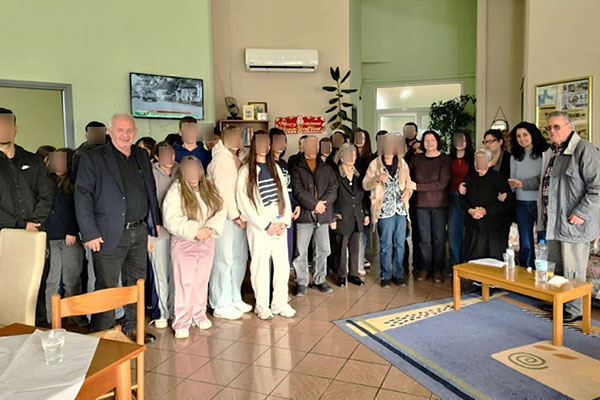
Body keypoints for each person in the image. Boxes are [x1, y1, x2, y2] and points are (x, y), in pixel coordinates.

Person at [75, 113, 161, 343]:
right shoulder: (93, 157)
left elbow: (149, 191)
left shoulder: (141, 155)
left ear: (135, 132)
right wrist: (89, 232)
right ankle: (101, 334)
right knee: (107, 286)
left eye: (130, 130)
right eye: (120, 130)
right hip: (106, 233)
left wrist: (152, 227)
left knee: (136, 284)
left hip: (139, 230)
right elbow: (82, 195)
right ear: (109, 132)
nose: (125, 135)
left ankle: (133, 328)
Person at [538, 111, 600, 322]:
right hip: (553, 222)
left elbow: (597, 187)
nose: (552, 131)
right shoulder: (553, 152)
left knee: (573, 270)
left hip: (574, 224)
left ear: (569, 127)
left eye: (556, 126)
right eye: (548, 128)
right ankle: (560, 302)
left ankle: (575, 310)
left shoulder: (584, 149)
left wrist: (582, 212)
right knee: (556, 268)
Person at [0, 108, 54, 326]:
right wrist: (21, 225)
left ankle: (39, 332)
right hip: (5, 236)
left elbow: (46, 194)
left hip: (35, 235)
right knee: (7, 290)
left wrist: (34, 223)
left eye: (7, 124)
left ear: (15, 128)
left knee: (37, 287)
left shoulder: (33, 160)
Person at [162, 156, 225, 338]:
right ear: (183, 171)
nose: (193, 173)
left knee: (201, 281)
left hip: (207, 241)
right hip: (184, 243)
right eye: (189, 169)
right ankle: (182, 321)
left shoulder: (209, 188)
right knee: (185, 283)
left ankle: (199, 315)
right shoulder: (176, 190)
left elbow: (221, 210)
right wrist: (195, 230)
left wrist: (209, 228)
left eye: (196, 169)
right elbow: (171, 218)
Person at [236, 130, 297, 319]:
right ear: (254, 145)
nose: (264, 146)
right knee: (260, 266)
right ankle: (262, 305)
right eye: (260, 142)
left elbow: (284, 195)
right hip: (259, 225)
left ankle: (279, 302)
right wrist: (265, 225)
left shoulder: (275, 167)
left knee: (282, 265)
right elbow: (244, 202)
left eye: (267, 143)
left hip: (278, 222)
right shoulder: (246, 170)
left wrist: (284, 221)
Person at [207, 126, 250, 320]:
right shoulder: (220, 159)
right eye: (231, 137)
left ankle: (234, 296)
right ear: (224, 139)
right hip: (224, 217)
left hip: (239, 217)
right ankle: (220, 303)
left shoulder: (238, 157)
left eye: (238, 137)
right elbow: (223, 192)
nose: (236, 140)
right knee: (223, 260)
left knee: (239, 258)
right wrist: (235, 216)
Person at [364, 133, 415, 287]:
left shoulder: (402, 163)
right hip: (384, 210)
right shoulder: (375, 164)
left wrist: (408, 192)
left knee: (400, 243)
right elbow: (365, 184)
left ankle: (398, 274)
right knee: (386, 244)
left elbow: (409, 183)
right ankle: (385, 275)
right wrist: (377, 179)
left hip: (401, 210)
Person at [291, 135, 338, 296]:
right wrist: (314, 205)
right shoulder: (296, 167)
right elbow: (297, 190)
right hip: (304, 215)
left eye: (315, 145)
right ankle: (301, 282)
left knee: (323, 249)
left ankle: (319, 280)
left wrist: (322, 204)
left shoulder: (326, 167)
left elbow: (333, 188)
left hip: (323, 215)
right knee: (301, 251)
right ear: (303, 147)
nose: (312, 148)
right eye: (309, 144)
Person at [43, 148, 85, 325]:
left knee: (72, 279)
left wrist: (72, 231)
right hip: (50, 236)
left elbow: (78, 210)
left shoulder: (76, 182)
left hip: (70, 237)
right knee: (52, 280)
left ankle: (74, 314)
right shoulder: (45, 182)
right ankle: (52, 317)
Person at [408, 130, 451, 283]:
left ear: (438, 142)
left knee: (439, 239)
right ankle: (425, 267)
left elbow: (442, 183)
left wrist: (417, 186)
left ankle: (438, 269)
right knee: (424, 239)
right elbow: (405, 173)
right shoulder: (416, 159)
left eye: (432, 140)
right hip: (421, 205)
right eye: (426, 140)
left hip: (439, 205)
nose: (429, 143)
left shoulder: (445, 159)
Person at [507, 122, 549, 267]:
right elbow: (512, 182)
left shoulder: (545, 154)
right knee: (525, 243)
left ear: (533, 135)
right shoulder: (515, 156)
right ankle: (527, 272)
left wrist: (523, 183)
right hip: (521, 204)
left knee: (543, 241)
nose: (522, 139)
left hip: (541, 204)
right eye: (518, 136)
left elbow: (546, 181)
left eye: (525, 135)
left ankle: (543, 272)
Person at [460, 149, 513, 261]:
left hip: (494, 227)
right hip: (473, 225)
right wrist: (471, 211)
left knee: (494, 260)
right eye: (476, 160)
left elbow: (507, 203)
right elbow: (462, 199)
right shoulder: (469, 177)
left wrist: (486, 211)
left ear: (490, 163)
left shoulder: (498, 178)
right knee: (474, 259)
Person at [148, 141, 179, 329]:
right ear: (157, 157)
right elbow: (145, 204)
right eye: (165, 154)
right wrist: (148, 232)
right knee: (160, 274)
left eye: (172, 153)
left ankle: (175, 310)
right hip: (157, 232)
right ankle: (161, 312)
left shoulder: (180, 170)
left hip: (178, 232)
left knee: (176, 274)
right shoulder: (150, 174)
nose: (170, 158)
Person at [332, 143, 370, 287]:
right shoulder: (335, 174)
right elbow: (331, 197)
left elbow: (364, 196)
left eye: (353, 154)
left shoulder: (359, 174)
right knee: (341, 248)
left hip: (357, 215)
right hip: (342, 215)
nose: (352, 157)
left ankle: (353, 274)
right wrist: (332, 217)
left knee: (355, 248)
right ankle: (341, 275)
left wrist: (366, 213)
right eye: (348, 154)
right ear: (342, 157)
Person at [269, 128, 301, 262]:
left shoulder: (283, 163)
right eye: (277, 140)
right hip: (275, 213)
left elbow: (289, 188)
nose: (281, 144)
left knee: (286, 249)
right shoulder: (267, 164)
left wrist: (295, 204)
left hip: (288, 211)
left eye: (283, 141)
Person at [448, 131, 474, 268]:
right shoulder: (448, 159)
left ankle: (465, 265)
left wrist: (465, 184)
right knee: (453, 232)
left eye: (463, 140)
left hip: (468, 199)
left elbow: (477, 177)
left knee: (465, 232)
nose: (460, 142)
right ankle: (455, 265)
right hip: (451, 198)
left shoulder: (472, 158)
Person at [352, 129, 374, 272]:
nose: (360, 140)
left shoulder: (371, 159)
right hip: (351, 198)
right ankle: (353, 260)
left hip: (366, 199)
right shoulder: (347, 156)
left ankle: (361, 258)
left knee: (364, 231)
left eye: (363, 138)